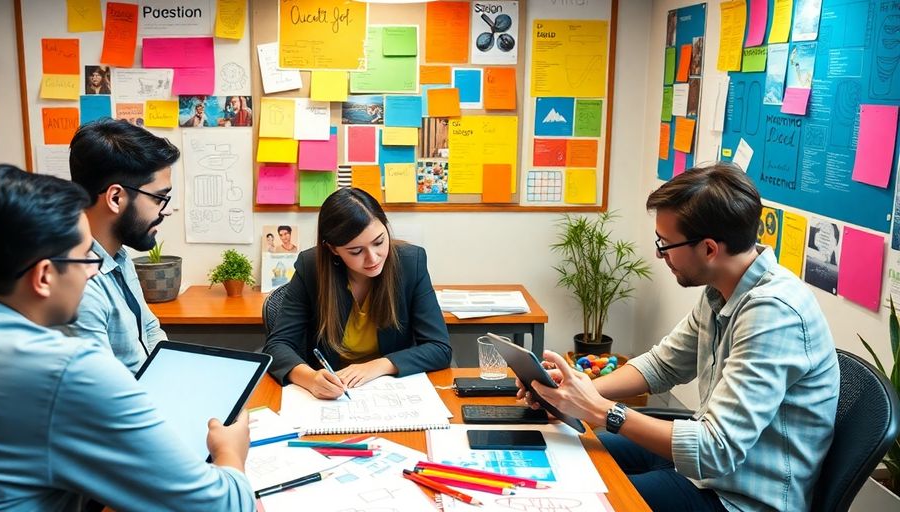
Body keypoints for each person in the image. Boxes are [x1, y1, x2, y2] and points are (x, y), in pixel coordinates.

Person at [0, 165, 254, 510]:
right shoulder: (64, 369)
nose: (92, 273)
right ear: (43, 277)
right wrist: (230, 452)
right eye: (84, 259)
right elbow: (217, 506)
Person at [521, 163, 838, 512]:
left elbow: (715, 450)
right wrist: (575, 392)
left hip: (740, 497)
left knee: (580, 498)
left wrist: (600, 410)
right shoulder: (725, 288)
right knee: (560, 452)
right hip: (705, 470)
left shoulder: (774, 315)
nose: (660, 254)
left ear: (709, 249)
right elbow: (663, 365)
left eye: (666, 243)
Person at [263, 188, 452, 399]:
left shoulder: (410, 263)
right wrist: (311, 378)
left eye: (379, 242)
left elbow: (439, 348)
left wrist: (378, 366)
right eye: (356, 251)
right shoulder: (311, 268)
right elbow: (277, 345)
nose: (373, 258)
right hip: (333, 395)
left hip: (391, 391)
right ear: (333, 249)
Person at [67, 118, 176, 373]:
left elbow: (149, 330)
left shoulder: (117, 255)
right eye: (159, 198)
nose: (166, 211)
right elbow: (100, 399)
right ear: (116, 198)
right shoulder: (78, 288)